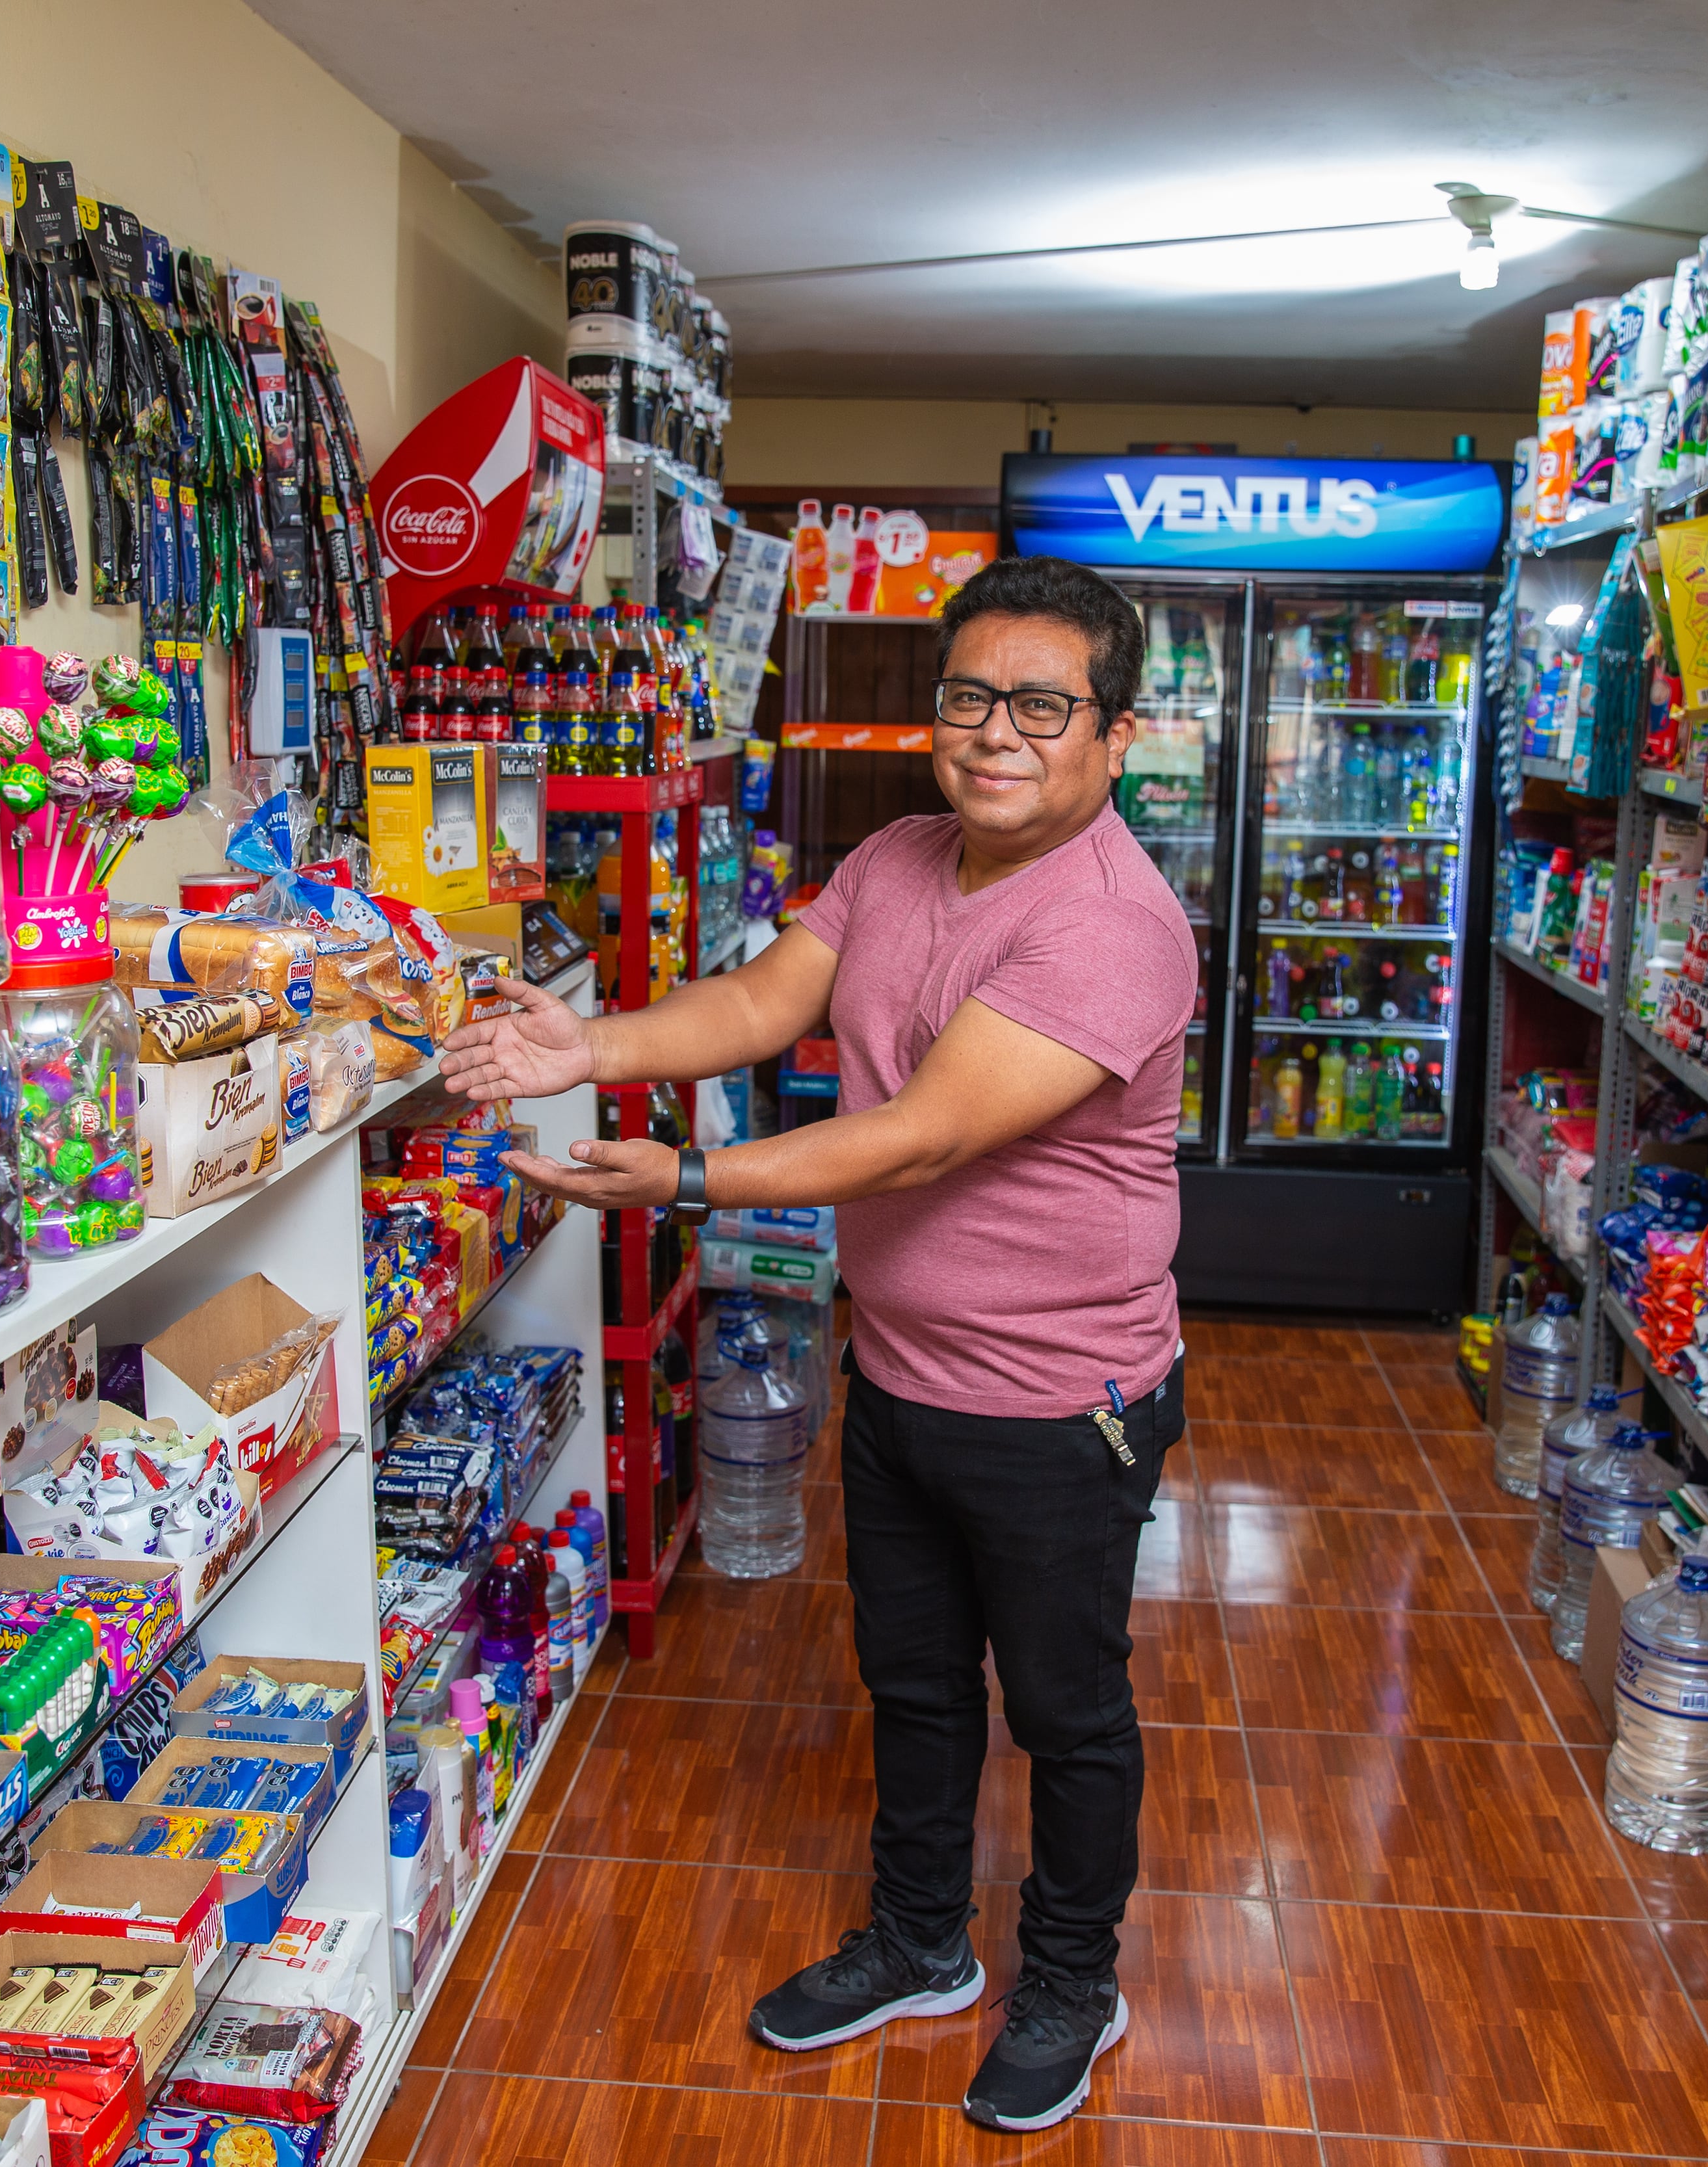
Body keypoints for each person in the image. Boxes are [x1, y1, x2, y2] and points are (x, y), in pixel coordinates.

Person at [438, 555, 1199, 2134]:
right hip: (904, 1367)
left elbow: (917, 1141)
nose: (996, 734)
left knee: (1065, 1707)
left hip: (1065, 1402)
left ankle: (1070, 1975)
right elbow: (770, 999)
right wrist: (597, 1043)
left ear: (1114, 734)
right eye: (969, 697)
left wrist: (686, 1177)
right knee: (913, 1681)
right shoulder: (904, 855)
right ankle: (922, 1940)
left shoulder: (1116, 924)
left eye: (1041, 706)